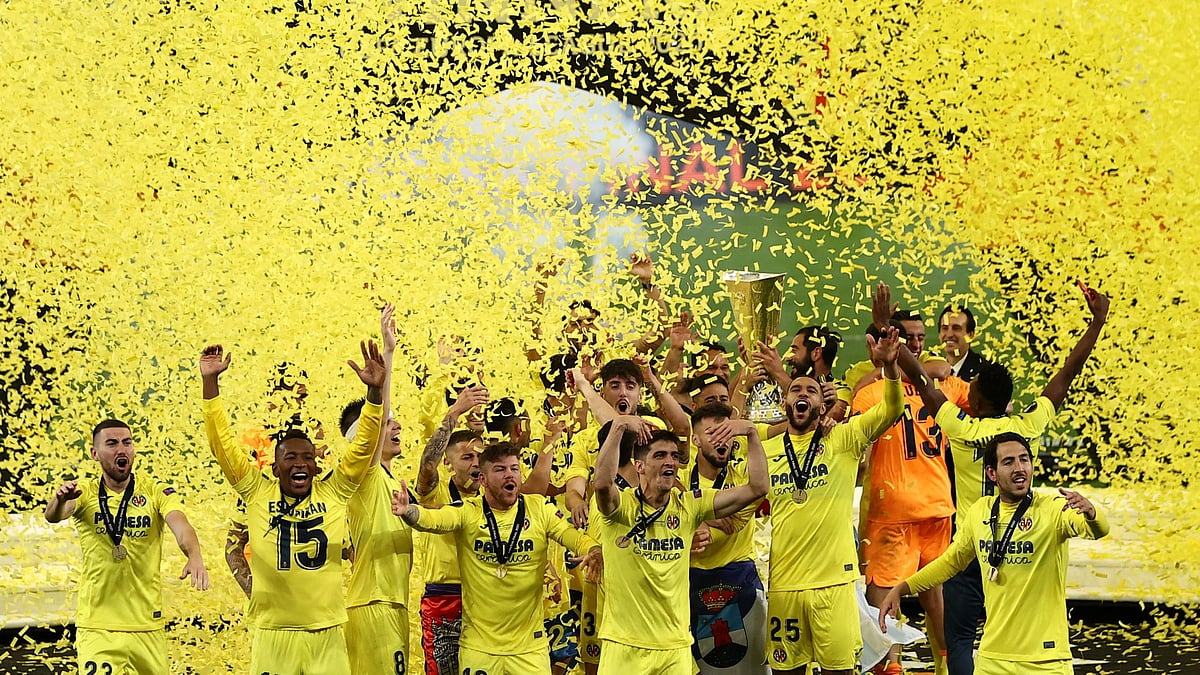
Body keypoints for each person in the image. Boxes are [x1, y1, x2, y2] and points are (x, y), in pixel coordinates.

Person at [893, 280, 1109, 675]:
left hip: (970, 543)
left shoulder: (962, 428)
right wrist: (1096, 323)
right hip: (1019, 546)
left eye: (970, 389)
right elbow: (1065, 375)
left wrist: (893, 342)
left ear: (976, 401)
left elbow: (923, 383)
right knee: (1011, 631)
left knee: (959, 639)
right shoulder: (1028, 425)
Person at [200, 335, 386, 674]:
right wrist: (210, 383)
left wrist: (374, 396)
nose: (300, 464)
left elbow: (363, 449)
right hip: (274, 634)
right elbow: (222, 446)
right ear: (274, 467)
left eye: (307, 458)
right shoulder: (257, 492)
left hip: (326, 633)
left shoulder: (334, 491)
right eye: (291, 458)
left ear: (316, 466)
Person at [878, 433, 1109, 675]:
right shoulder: (981, 512)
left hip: (1046, 661)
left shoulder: (1053, 508)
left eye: (1024, 460)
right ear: (991, 473)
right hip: (993, 660)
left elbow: (1099, 530)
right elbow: (950, 562)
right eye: (1008, 462)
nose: (1019, 468)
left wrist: (1091, 513)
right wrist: (903, 588)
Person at [762, 325, 904, 675]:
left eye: (811, 390)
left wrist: (889, 368)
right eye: (795, 389)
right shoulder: (764, 452)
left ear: (822, 402)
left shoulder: (843, 439)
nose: (802, 394)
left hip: (835, 588)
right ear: (785, 401)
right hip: (784, 587)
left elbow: (891, 408)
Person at [392, 442, 601, 675]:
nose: (509, 474)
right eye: (500, 470)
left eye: (514, 468)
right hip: (480, 649)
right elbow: (434, 520)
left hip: (529, 650)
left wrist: (593, 550)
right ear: (483, 479)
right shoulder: (469, 511)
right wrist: (408, 511)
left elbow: (572, 536)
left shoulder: (539, 509)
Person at [592, 413, 769, 674]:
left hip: (676, 649)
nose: (671, 462)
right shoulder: (621, 509)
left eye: (675, 456)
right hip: (625, 648)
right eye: (660, 455)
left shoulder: (689, 506)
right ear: (639, 466)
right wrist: (618, 426)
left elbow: (758, 487)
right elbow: (602, 485)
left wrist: (752, 434)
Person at [46, 419, 210, 675]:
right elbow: (54, 516)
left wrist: (194, 555)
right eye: (111, 443)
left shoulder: (155, 491)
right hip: (98, 626)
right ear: (95, 453)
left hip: (147, 626)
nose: (121, 449)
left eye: (127, 442)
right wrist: (59, 500)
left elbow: (181, 525)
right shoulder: (84, 493)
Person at [852, 321, 970, 675]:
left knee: (884, 596)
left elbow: (857, 445)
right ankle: (945, 665)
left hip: (894, 508)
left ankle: (890, 667)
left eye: (921, 338)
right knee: (934, 595)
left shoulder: (871, 392)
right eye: (910, 339)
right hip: (937, 502)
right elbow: (992, 403)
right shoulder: (945, 386)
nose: (917, 345)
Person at [343, 304, 416, 675]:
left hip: (392, 604)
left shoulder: (389, 481)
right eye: (387, 422)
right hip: (374, 605)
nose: (396, 422)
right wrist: (388, 356)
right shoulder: (366, 474)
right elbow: (376, 420)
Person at [688, 403, 770, 675]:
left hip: (739, 579)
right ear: (695, 440)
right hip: (690, 583)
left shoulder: (745, 475)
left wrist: (751, 432)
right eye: (712, 432)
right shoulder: (676, 478)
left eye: (727, 432)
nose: (722, 439)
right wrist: (704, 515)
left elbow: (737, 519)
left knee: (754, 668)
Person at [414, 386, 488, 675]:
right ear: (448, 462)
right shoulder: (437, 493)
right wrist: (454, 412)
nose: (476, 463)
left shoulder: (493, 496)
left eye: (480, 456)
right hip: (444, 597)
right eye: (467, 457)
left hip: (487, 596)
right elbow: (427, 465)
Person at [753, 325, 852, 422]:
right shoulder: (778, 386)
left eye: (794, 350)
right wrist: (749, 366)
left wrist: (779, 373)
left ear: (816, 353)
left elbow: (815, 428)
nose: (788, 357)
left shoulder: (840, 391)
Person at [938, 306, 992, 382]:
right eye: (945, 328)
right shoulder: (934, 370)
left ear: (970, 335)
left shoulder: (985, 372)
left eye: (956, 328)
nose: (949, 334)